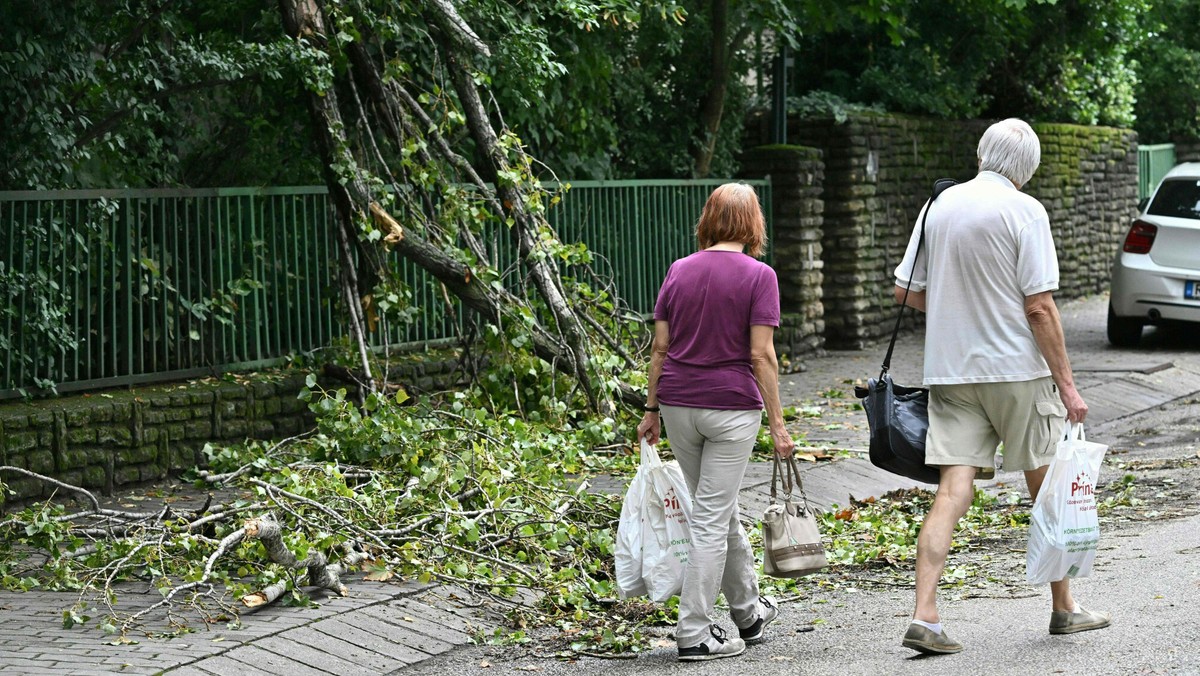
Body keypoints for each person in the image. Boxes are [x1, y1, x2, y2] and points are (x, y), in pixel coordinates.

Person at [892, 118, 1111, 655]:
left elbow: (906, 292)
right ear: (1028, 167)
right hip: (1018, 372)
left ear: (982, 153)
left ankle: (926, 615)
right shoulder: (1026, 211)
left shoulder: (936, 207)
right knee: (1047, 491)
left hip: (951, 373)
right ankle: (1065, 608)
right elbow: (1039, 306)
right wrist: (1069, 386)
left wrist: (956, 305)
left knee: (952, 491)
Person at [636, 182, 795, 662]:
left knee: (716, 509)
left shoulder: (679, 270)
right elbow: (761, 355)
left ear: (707, 219)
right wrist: (778, 424)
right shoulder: (759, 275)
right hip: (730, 407)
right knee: (710, 516)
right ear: (752, 224)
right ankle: (694, 633)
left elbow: (660, 347)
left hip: (679, 404)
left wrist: (651, 409)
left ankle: (747, 612)